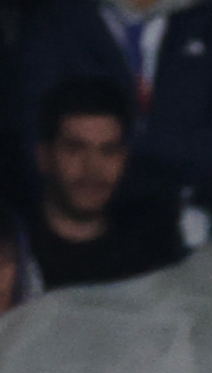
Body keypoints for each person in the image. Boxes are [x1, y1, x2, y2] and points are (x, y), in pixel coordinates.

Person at [12, 0, 212, 242]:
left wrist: (123, 148)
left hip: (211, 246)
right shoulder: (54, 28)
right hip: (88, 251)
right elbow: (40, 155)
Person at [14, 76, 179, 293]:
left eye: (108, 151)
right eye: (75, 149)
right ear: (44, 156)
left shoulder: (151, 252)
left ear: (124, 158)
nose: (92, 168)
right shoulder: (14, 254)